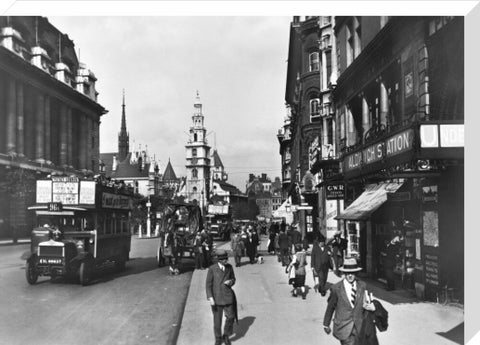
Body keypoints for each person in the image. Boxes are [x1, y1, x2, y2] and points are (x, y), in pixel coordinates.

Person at [323, 257, 376, 345]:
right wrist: (326, 323)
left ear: (356, 273)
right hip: (344, 327)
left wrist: (373, 310)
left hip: (360, 326)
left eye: (352, 273)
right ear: (344, 273)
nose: (350, 275)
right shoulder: (336, 288)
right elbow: (330, 306)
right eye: (347, 273)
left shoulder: (363, 286)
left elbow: (369, 303)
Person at [206, 249, 237, 345]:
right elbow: (208, 284)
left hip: (228, 296)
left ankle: (226, 335)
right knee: (217, 321)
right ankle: (218, 338)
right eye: (224, 259)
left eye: (226, 259)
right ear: (219, 260)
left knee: (231, 317)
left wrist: (230, 282)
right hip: (216, 298)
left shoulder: (229, 267)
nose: (226, 261)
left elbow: (233, 279)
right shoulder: (212, 269)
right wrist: (210, 297)